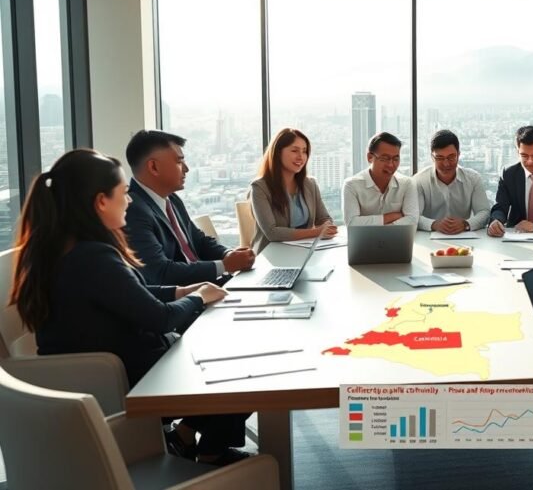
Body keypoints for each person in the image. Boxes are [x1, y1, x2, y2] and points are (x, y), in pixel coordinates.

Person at [8, 149, 251, 466]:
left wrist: (182, 290)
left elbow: (126, 294)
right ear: (100, 202)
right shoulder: (94, 257)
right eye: (124, 194)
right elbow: (158, 318)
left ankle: (186, 438)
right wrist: (198, 298)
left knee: (225, 355)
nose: (131, 201)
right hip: (129, 376)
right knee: (243, 369)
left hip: (97, 371)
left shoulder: (61, 250)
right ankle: (209, 453)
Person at [124, 130, 255, 286]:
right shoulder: (132, 210)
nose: (186, 169)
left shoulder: (171, 198)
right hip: (185, 298)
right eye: (179, 162)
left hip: (207, 286)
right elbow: (160, 272)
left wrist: (229, 254)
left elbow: (198, 241)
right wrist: (225, 265)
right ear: (153, 167)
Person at [249, 128, 338, 254]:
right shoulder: (260, 187)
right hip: (271, 256)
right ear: (278, 153)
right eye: (294, 150)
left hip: (304, 252)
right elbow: (272, 233)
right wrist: (317, 232)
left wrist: (327, 226)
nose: (301, 157)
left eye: (304, 151)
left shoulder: (310, 184)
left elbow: (323, 218)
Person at [414, 129, 490, 234]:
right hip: (429, 237)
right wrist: (434, 224)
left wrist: (466, 224)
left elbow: (484, 212)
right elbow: (413, 216)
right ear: (432, 157)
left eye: (451, 157)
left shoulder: (473, 179)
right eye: (440, 158)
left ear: (458, 155)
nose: (446, 164)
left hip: (464, 237)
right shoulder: (419, 180)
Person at [343, 132, 418, 226]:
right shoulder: (352, 185)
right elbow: (352, 223)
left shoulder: (407, 183)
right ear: (370, 157)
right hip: (364, 240)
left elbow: (412, 219)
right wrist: (390, 217)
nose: (391, 165)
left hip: (397, 239)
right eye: (385, 158)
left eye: (395, 159)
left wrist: (382, 228)